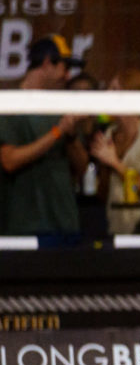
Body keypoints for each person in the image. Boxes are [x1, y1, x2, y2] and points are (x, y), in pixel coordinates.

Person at [0, 34, 88, 241]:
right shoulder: (10, 105)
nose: (67, 76)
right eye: (64, 68)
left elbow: (82, 168)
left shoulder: (62, 105)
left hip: (65, 223)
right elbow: (9, 160)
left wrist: (71, 133)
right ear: (47, 63)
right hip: (23, 226)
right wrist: (58, 132)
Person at [89, 68, 140, 235]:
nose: (107, 95)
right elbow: (102, 193)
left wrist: (115, 163)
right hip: (115, 228)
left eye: (115, 90)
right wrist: (103, 168)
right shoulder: (110, 133)